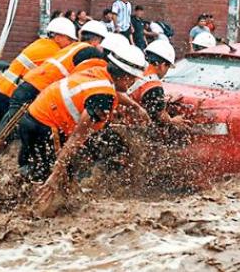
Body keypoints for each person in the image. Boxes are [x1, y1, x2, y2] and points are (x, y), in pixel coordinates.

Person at [23, 45, 147, 214]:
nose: (133, 82)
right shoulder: (102, 98)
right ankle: (32, 216)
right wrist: (55, 175)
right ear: (126, 76)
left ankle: (62, 207)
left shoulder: (98, 72)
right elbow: (76, 139)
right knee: (45, 179)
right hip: (45, 127)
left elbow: (110, 90)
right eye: (133, 78)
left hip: (34, 116)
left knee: (41, 171)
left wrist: (134, 106)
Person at [0, 20, 110, 157]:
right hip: (29, 93)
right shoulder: (89, 53)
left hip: (17, 89)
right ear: (97, 41)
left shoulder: (73, 47)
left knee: (2, 135)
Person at [0, 17, 76, 136]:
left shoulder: (39, 43)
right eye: (70, 39)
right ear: (58, 37)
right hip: (12, 99)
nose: (71, 44)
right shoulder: (54, 52)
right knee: (4, 140)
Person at [126, 38, 185, 125]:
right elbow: (160, 116)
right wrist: (174, 121)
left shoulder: (137, 70)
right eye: (168, 68)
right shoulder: (154, 86)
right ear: (163, 65)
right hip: (132, 126)